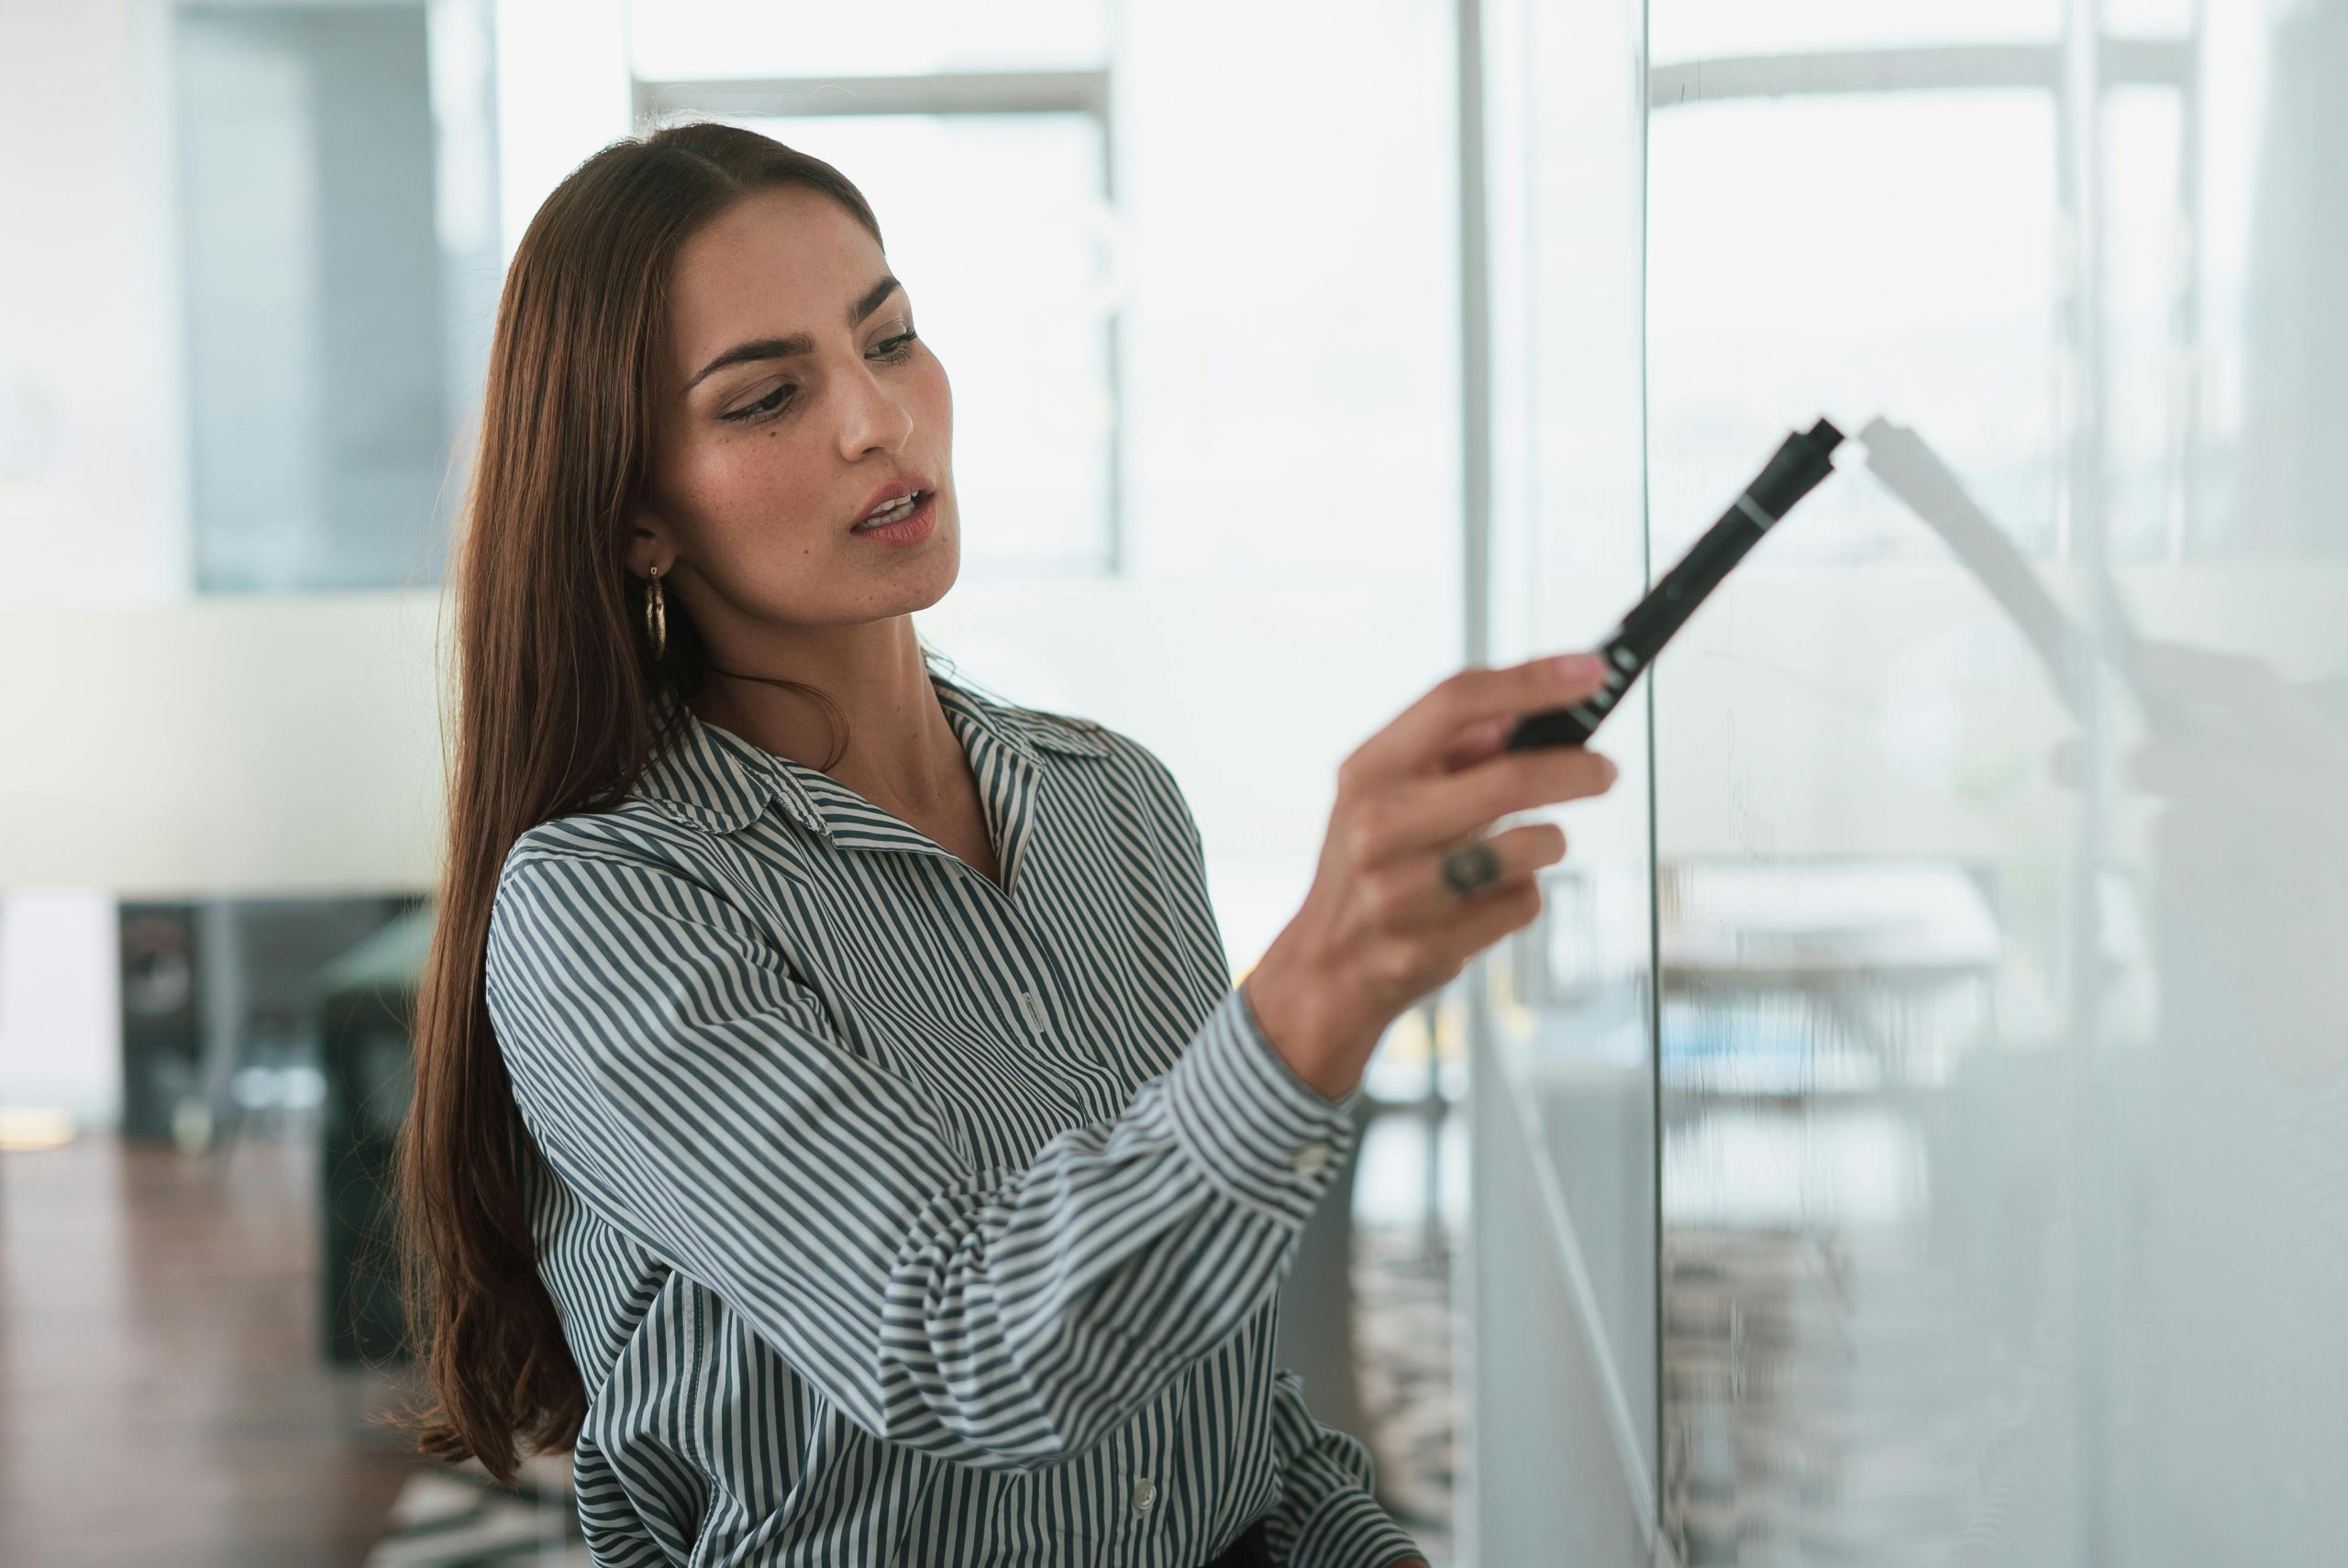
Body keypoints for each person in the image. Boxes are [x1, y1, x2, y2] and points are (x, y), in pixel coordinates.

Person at [388, 118, 1620, 1567]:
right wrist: (1318, 993)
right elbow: (954, 1343)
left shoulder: (1117, 805)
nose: (876, 420)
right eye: (770, 396)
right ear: (639, 513)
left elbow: (1212, 1373)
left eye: (890, 338)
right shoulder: (604, 907)